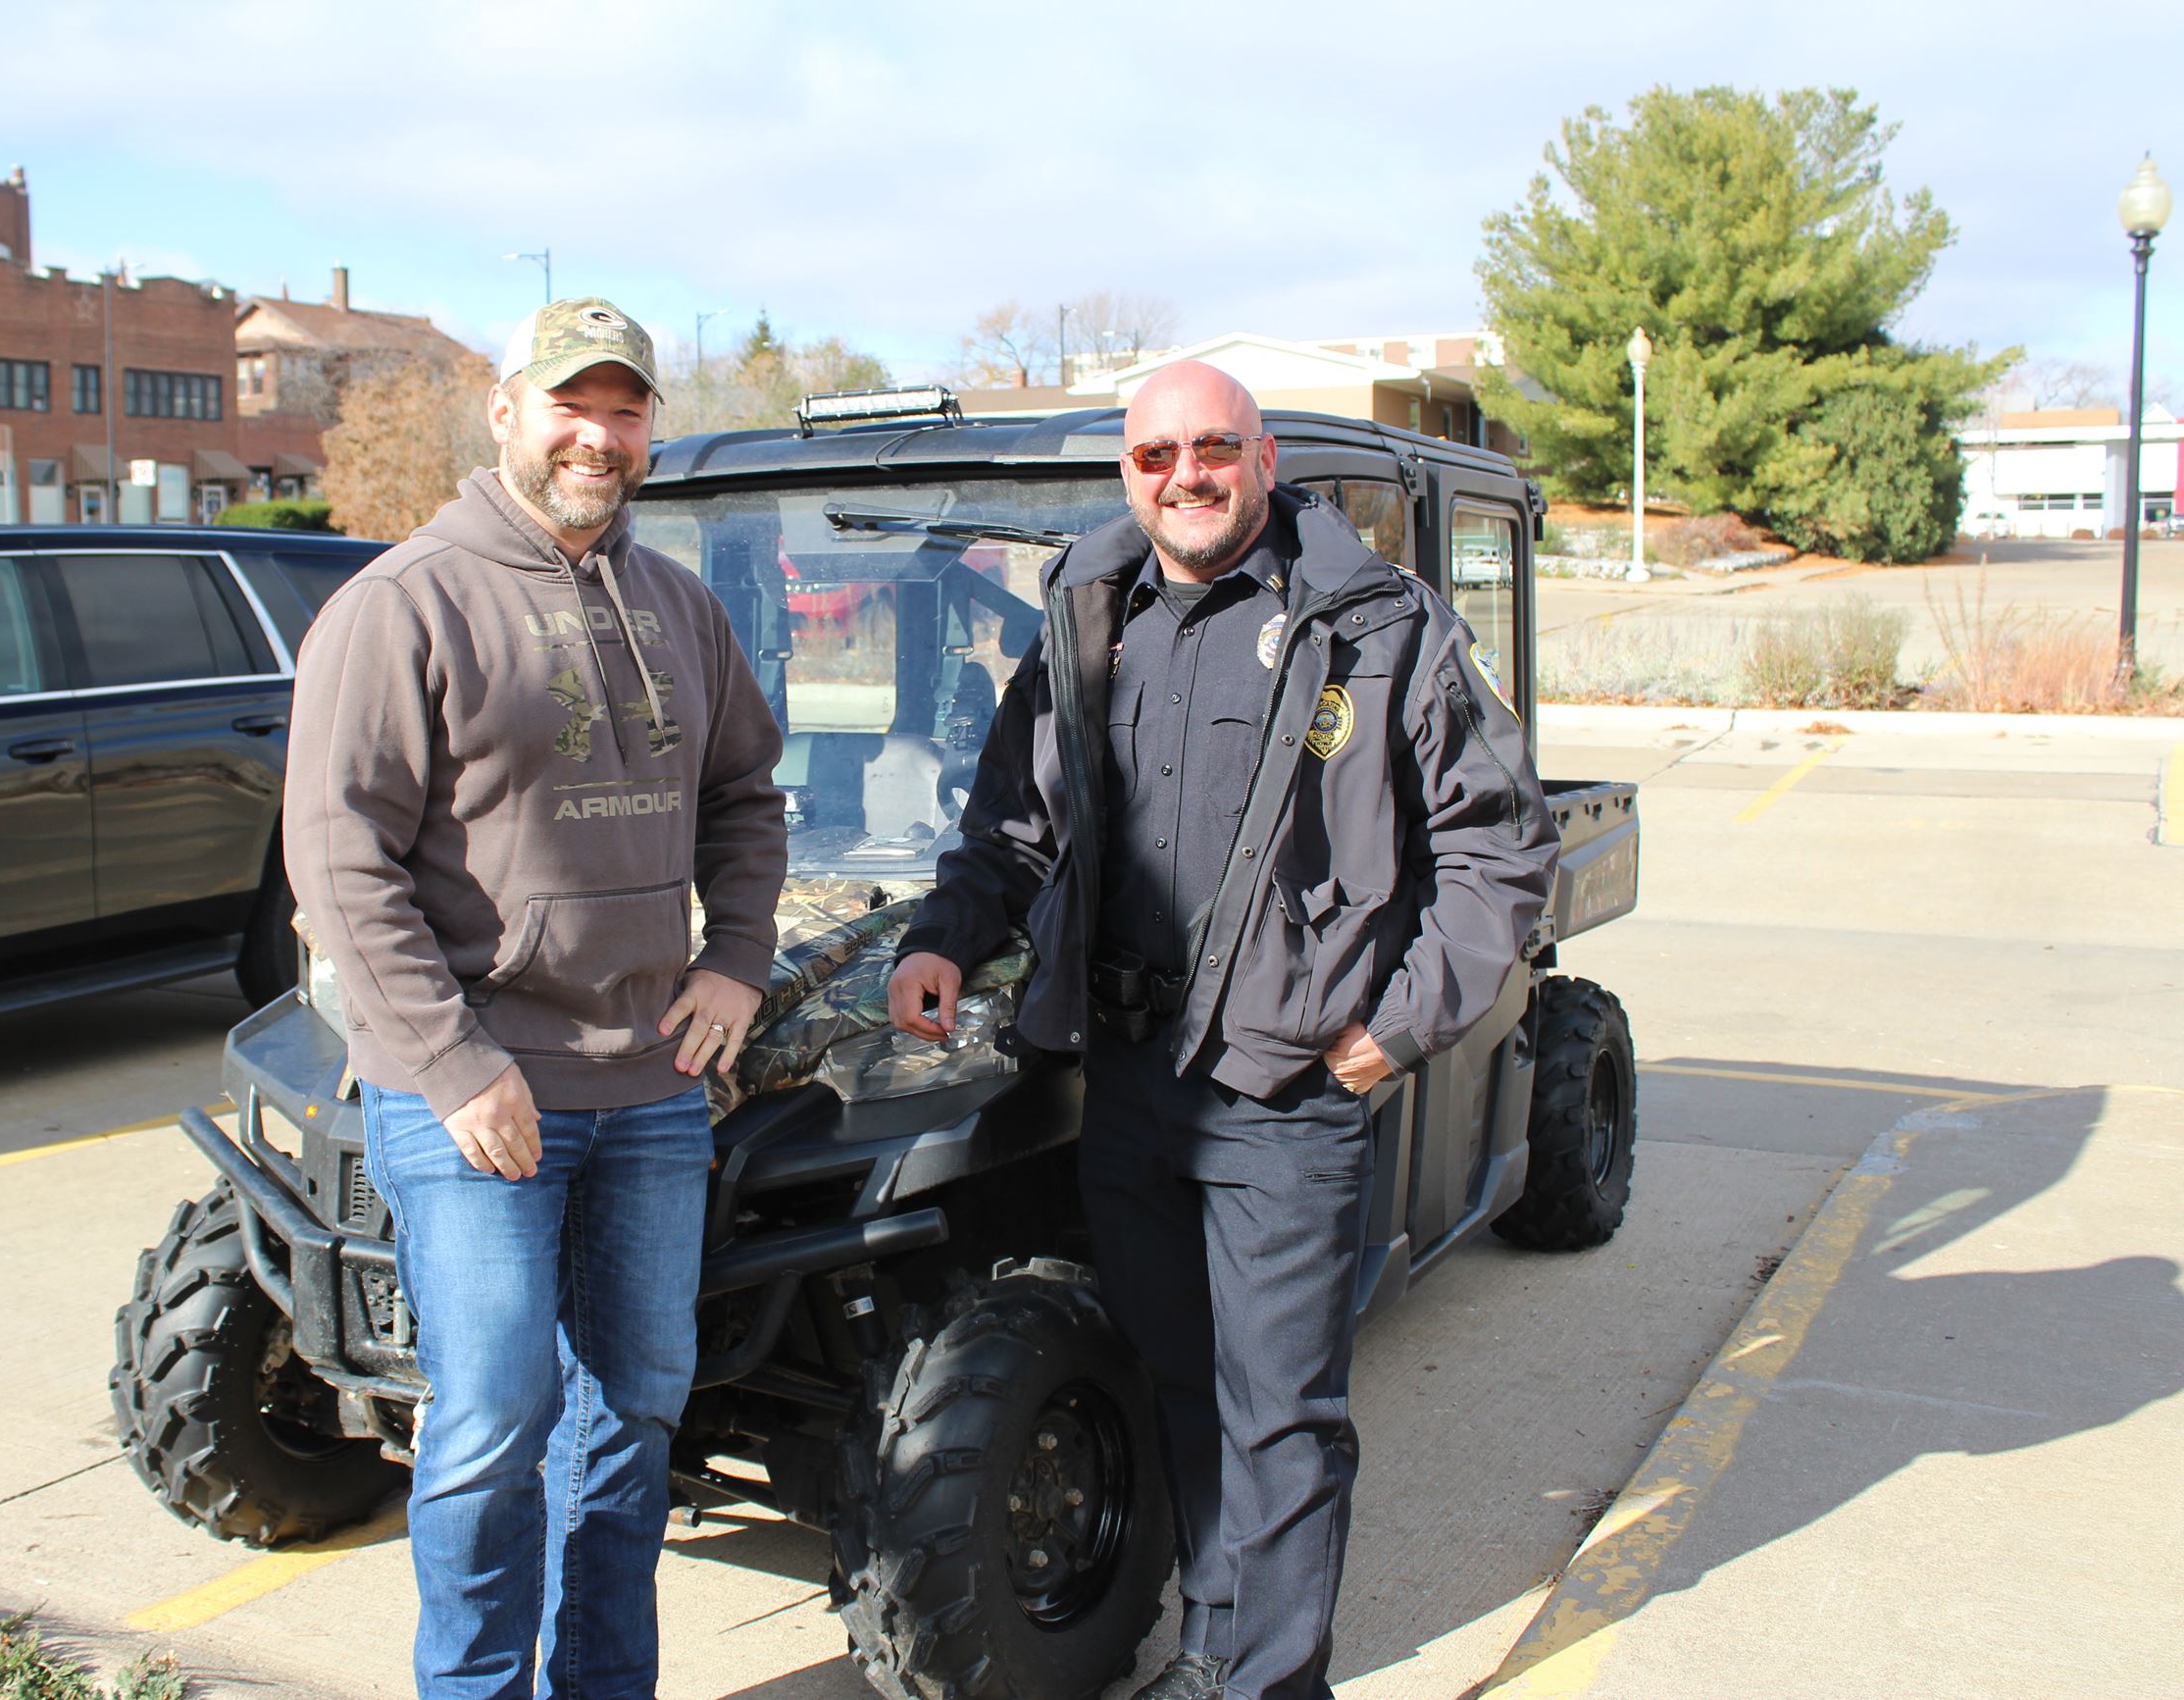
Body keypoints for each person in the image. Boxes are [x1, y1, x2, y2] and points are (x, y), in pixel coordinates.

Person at [887, 361, 1556, 1700]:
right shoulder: (1090, 613)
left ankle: (1270, 1681)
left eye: (1212, 449)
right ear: (1127, 475)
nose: (1185, 476)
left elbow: (1499, 849)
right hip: (1133, 1082)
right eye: (1156, 457)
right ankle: (1215, 1644)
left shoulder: (1376, 626)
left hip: (1286, 1090)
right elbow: (1013, 822)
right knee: (1182, 1377)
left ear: (1262, 459)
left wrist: (1395, 1028)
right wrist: (945, 936)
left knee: (1281, 1413)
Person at [284, 297, 787, 1700]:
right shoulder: (402, 604)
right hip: (479, 1098)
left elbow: (745, 796)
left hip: (650, 1090)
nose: (598, 436)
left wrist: (738, 955)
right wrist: (453, 1063)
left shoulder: (678, 605)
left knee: (632, 1413)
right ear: (505, 410)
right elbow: (338, 857)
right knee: (494, 1421)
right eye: (573, 403)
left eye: (626, 410)